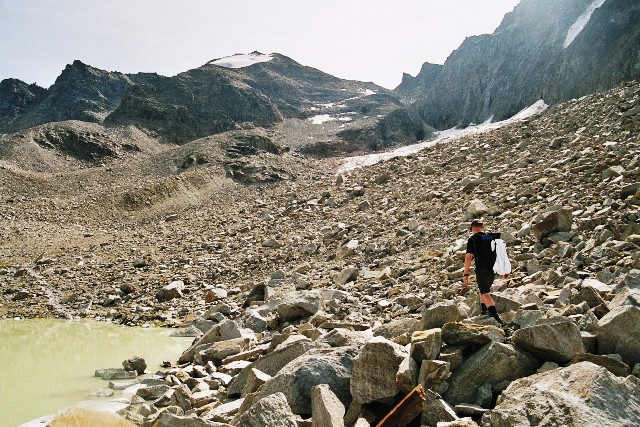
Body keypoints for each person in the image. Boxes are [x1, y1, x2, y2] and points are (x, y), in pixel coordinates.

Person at [463, 219, 508, 325]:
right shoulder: (491, 237)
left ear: (473, 228)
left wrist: (466, 273)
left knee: (486, 293)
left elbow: (469, 257)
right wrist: (505, 270)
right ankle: (483, 311)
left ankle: (497, 319)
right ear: (482, 227)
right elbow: (501, 253)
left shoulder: (473, 239)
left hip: (481, 269)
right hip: (492, 269)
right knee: (483, 289)